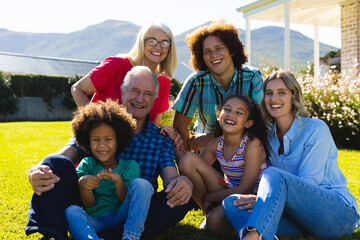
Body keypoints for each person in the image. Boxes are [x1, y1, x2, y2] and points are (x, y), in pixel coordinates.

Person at [26, 66, 193, 240]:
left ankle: (104, 235)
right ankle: (53, 235)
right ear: (123, 91)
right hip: (89, 207)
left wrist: (183, 181)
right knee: (54, 163)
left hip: (133, 213)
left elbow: (170, 178)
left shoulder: (160, 139)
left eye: (148, 94)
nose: (140, 99)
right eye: (134, 91)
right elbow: (66, 154)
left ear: (154, 98)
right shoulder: (99, 125)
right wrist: (39, 168)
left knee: (179, 200)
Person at [222, 70, 360, 240]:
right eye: (269, 93)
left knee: (272, 174)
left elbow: (309, 183)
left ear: (293, 97)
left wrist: (262, 199)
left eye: (282, 92)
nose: (274, 99)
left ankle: (252, 237)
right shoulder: (268, 135)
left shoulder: (316, 129)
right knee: (231, 203)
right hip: (299, 218)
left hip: (337, 215)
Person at [177, 95, 269, 236]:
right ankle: (210, 213)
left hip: (250, 200)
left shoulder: (252, 143)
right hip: (229, 190)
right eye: (227, 109)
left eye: (239, 113)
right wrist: (176, 143)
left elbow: (246, 188)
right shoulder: (217, 144)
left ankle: (231, 223)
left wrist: (209, 198)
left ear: (248, 123)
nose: (231, 115)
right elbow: (191, 170)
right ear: (219, 115)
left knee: (214, 224)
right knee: (187, 160)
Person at [65, 100, 153, 240]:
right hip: (95, 222)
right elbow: (89, 204)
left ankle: (131, 236)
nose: (102, 145)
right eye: (96, 140)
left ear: (118, 140)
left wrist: (118, 181)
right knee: (71, 211)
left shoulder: (129, 166)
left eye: (108, 139)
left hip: (122, 218)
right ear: (88, 141)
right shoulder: (87, 164)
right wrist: (83, 185)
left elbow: (126, 200)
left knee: (143, 184)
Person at [173, 20, 264, 152]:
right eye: (207, 52)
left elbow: (257, 122)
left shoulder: (252, 78)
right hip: (205, 152)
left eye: (219, 48)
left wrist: (212, 136)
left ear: (231, 50)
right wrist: (189, 162)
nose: (214, 55)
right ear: (201, 57)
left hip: (243, 151)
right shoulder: (196, 82)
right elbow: (179, 127)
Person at [71, 20, 177, 126]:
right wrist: (94, 123)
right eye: (152, 41)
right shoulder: (117, 65)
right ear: (141, 42)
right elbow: (77, 88)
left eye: (164, 43)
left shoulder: (164, 81)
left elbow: (154, 123)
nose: (158, 47)